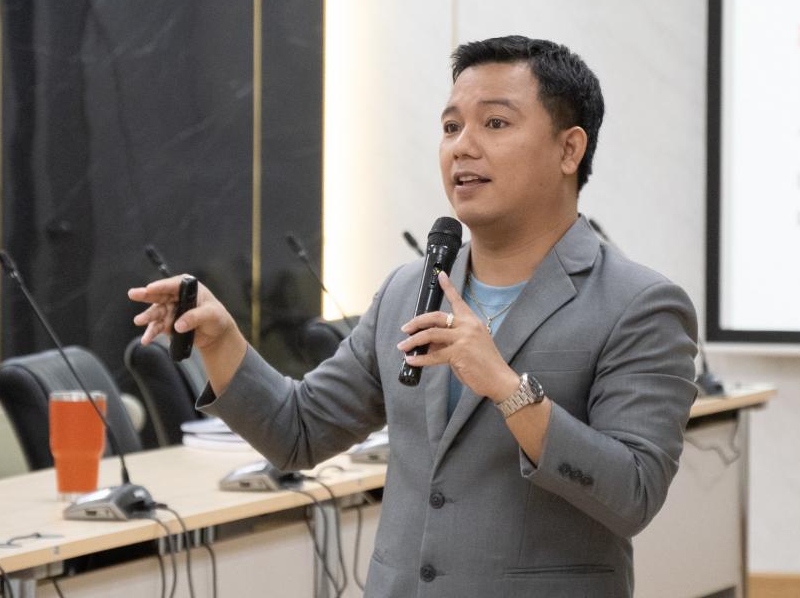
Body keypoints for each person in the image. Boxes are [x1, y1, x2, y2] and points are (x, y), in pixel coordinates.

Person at [130, 35, 697, 598]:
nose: (462, 147)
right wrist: (222, 340)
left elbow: (634, 495)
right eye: (451, 127)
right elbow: (298, 433)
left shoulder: (638, 305)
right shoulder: (408, 291)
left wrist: (506, 388)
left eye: (495, 123)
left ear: (569, 150)